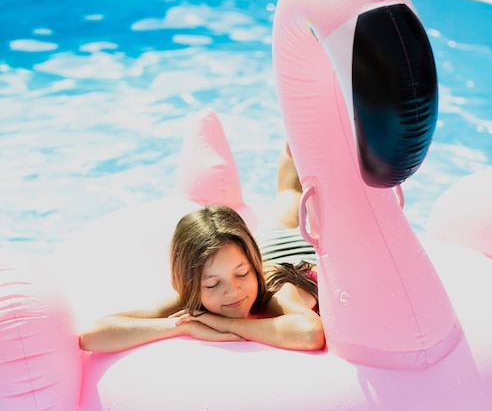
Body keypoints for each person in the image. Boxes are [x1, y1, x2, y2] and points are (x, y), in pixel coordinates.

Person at [78, 144, 324, 353]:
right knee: (288, 197)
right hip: (261, 249)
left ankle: (297, 130)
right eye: (213, 284)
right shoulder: (195, 299)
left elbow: (310, 333)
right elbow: (93, 335)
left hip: (299, 255)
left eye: (242, 275)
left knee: (290, 195)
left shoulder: (274, 290)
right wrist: (184, 326)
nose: (233, 291)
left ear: (253, 266)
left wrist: (224, 324)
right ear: (192, 284)